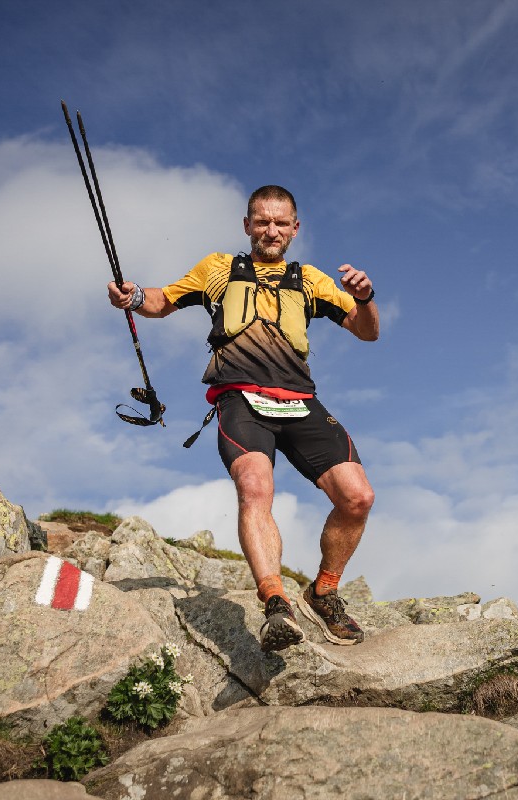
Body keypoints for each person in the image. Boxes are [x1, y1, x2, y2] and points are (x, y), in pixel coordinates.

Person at [107, 185, 378, 652]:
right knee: (255, 487)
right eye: (263, 221)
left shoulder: (310, 280)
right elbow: (162, 300)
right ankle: (275, 603)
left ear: (295, 229)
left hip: (299, 401)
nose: (271, 230)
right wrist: (132, 298)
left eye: (281, 223)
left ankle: (324, 592)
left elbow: (366, 331)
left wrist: (367, 296)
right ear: (247, 224)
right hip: (240, 400)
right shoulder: (217, 270)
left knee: (358, 498)